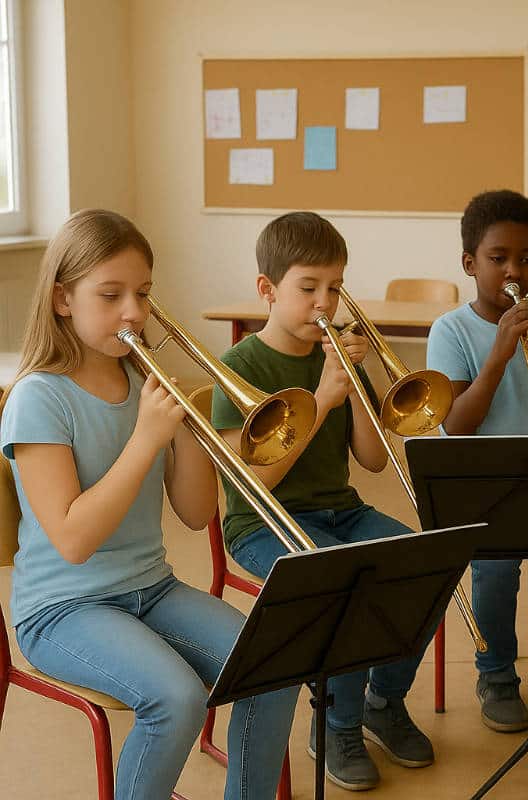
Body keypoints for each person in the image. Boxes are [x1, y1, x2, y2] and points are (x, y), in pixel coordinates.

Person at [0, 209, 295, 800]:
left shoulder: (142, 383)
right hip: (63, 609)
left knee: (274, 662)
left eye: (143, 293)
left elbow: (195, 513)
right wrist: (145, 439)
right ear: (62, 298)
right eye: (111, 295)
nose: (134, 311)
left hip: (151, 589)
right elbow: (73, 540)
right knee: (176, 699)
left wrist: (185, 431)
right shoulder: (39, 398)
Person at [211, 211, 432, 792]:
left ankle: (383, 702)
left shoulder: (334, 356)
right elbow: (253, 483)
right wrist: (322, 399)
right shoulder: (238, 367)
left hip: (341, 509)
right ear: (267, 289)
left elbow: (374, 460)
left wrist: (354, 385)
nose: (324, 303)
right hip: (263, 523)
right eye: (308, 288)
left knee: (421, 564)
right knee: (347, 584)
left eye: (335, 288)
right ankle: (336, 726)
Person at [426, 189, 528, 733]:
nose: (514, 270)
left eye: (526, 259)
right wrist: (499, 354)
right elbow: (455, 424)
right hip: (480, 482)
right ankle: (497, 674)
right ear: (470, 263)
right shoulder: (451, 330)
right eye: (498, 258)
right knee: (496, 566)